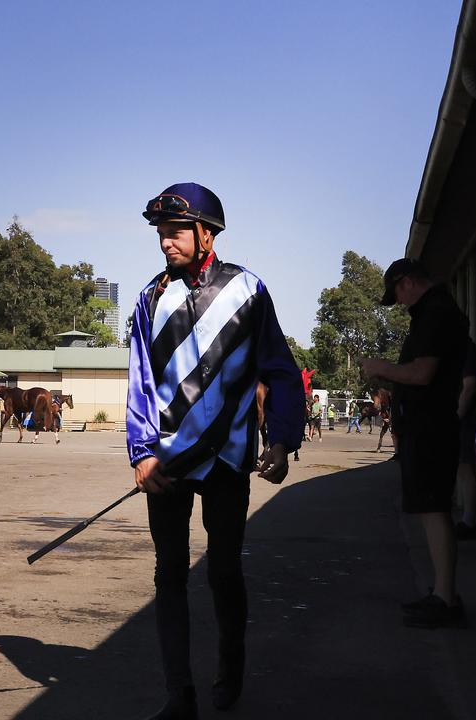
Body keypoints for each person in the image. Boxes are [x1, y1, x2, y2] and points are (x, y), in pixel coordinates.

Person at [127, 182, 305, 718]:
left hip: (228, 458)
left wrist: (282, 439)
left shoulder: (248, 291)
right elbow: (139, 378)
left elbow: (279, 367)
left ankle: (230, 668)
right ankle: (178, 694)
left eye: (176, 231)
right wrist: (141, 452)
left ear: (206, 233)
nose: (165, 242)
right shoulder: (150, 298)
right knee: (169, 574)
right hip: (169, 461)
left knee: (223, 570)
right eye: (161, 233)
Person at [359, 258, 468, 628]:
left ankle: (446, 597)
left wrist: (379, 367)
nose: (401, 303)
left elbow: (422, 374)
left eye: (398, 294)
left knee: (435, 509)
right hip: (429, 424)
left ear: (407, 283)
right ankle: (443, 591)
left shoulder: (435, 313)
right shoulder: (437, 311)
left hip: (431, 426)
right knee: (430, 509)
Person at [454, 338, 476, 539]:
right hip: (462, 419)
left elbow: (470, 386)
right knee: (463, 468)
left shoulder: (465, 349)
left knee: (466, 468)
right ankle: (468, 518)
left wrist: (456, 417)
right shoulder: (461, 349)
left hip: (466, 420)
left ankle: (469, 520)